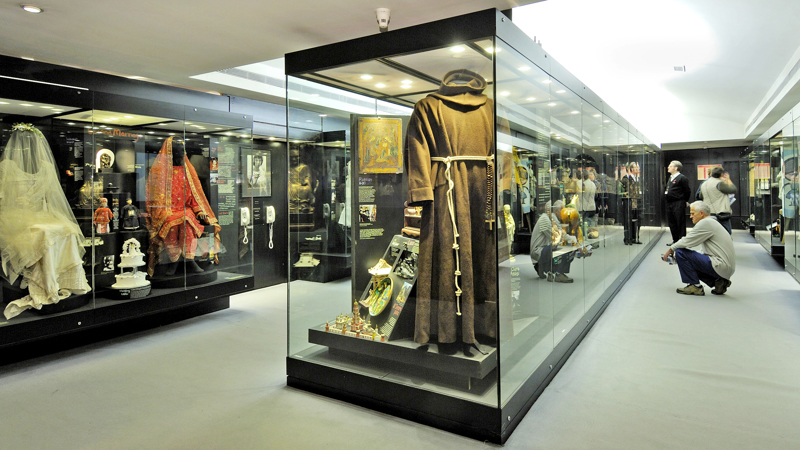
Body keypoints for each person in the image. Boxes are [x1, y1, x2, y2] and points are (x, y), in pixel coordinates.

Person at [662, 201, 735, 295]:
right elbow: (703, 252)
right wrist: (680, 260)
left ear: (701, 213)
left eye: (693, 213)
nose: (690, 216)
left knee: (680, 252)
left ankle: (695, 286)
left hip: (721, 265)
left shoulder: (706, 222)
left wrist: (671, 249)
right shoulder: (712, 222)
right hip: (725, 267)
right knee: (684, 256)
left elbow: (688, 240)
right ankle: (719, 282)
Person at [530, 200, 574, 283]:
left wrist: (573, 240)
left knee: (566, 246)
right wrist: (572, 242)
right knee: (565, 247)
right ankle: (559, 273)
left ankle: (543, 267)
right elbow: (556, 237)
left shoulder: (550, 218)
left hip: (543, 248)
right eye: (561, 210)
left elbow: (560, 233)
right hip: (539, 251)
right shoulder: (545, 220)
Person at [698, 166, 736, 234]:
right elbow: (733, 189)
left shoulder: (703, 184)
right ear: (721, 174)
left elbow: (700, 196)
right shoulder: (719, 183)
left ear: (711, 174)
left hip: (708, 213)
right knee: (726, 233)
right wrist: (728, 180)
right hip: (721, 213)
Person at [664, 160, 691, 245]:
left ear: (676, 168)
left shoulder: (682, 178)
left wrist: (685, 200)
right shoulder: (671, 178)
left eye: (670, 166)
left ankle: (682, 242)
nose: (668, 167)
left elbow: (687, 191)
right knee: (672, 222)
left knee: (680, 222)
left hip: (678, 203)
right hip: (670, 203)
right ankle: (675, 241)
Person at [620, 163, 642, 244]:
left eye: (638, 167)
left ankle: (635, 237)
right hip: (628, 201)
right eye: (636, 167)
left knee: (637, 219)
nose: (638, 169)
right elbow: (626, 190)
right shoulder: (626, 178)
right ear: (631, 169)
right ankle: (627, 238)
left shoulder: (638, 178)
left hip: (637, 202)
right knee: (628, 220)